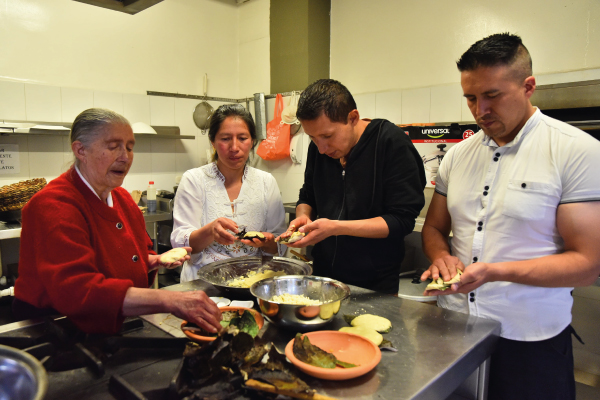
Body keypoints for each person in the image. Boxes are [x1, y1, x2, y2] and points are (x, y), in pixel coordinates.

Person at [420, 33, 600, 400]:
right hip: (457, 331)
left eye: (492, 95)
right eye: (470, 97)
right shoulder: (457, 156)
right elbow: (435, 227)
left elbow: (587, 264)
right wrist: (441, 257)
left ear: (528, 86)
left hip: (529, 340)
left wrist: (494, 271)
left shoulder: (576, 151)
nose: (479, 110)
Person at [13, 108, 222, 335]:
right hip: (53, 332)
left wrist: (153, 260)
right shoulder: (53, 205)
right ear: (80, 149)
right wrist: (169, 299)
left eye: (130, 147)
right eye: (113, 147)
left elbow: (124, 259)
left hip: (108, 327)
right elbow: (77, 290)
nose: (125, 156)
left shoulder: (122, 199)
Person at [280, 79, 426, 294]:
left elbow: (401, 221)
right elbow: (308, 195)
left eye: (327, 136)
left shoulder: (389, 143)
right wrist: (304, 216)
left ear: (353, 118)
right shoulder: (319, 149)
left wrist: (336, 228)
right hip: (324, 277)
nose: (321, 148)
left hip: (375, 283)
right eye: (313, 138)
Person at [171, 104, 286, 282]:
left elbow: (279, 245)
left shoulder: (266, 182)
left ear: (253, 140)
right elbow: (181, 243)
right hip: (202, 284)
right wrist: (210, 231)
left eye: (242, 138)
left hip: (252, 282)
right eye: (225, 138)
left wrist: (268, 241)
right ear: (212, 141)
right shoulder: (194, 180)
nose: (234, 147)